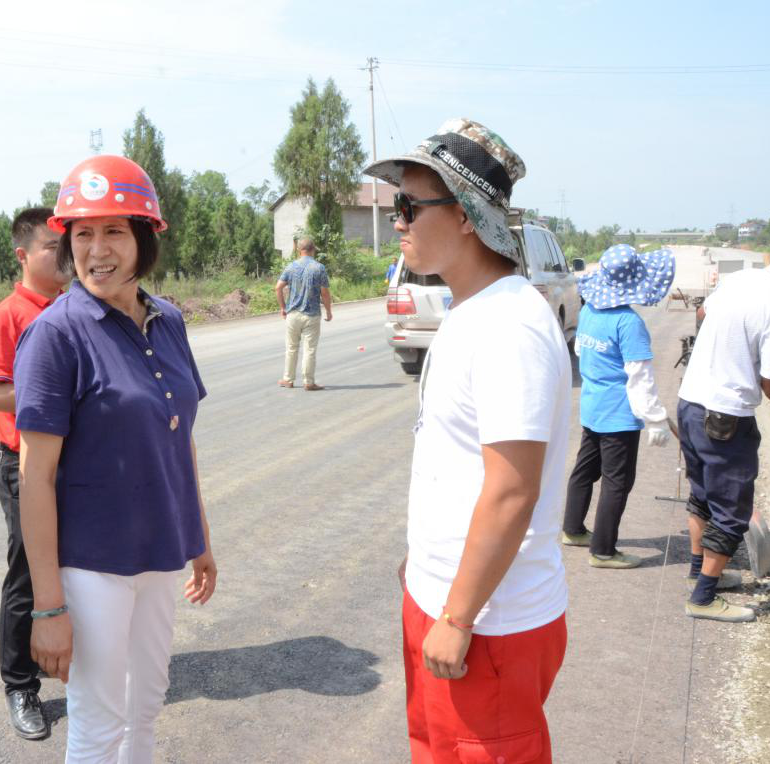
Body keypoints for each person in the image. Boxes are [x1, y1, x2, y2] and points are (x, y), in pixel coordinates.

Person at [365, 119, 570, 763]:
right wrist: (426, 563)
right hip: (446, 597)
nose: (396, 221)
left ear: (464, 215)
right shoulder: (469, 309)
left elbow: (512, 491)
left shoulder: (510, 325)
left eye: (409, 206)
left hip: (488, 621)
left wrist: (457, 616)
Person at [12, 155, 217, 763]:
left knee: (146, 705)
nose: (96, 250)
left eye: (114, 232)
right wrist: (48, 605)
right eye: (82, 234)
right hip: (92, 564)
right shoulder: (56, 335)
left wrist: (199, 538)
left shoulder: (168, 320)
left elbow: (180, 440)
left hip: (159, 552)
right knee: (99, 724)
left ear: (144, 238)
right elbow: (34, 478)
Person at [0, 207, 71, 740]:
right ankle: (20, 686)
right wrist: (60, 395)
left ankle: (67, 659)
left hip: (69, 459)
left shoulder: (74, 308)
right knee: (28, 574)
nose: (64, 258)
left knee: (70, 565)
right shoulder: (7, 316)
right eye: (52, 249)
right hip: (22, 464)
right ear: (22, 255)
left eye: (66, 246)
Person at [677, 244, 770, 622]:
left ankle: (700, 571)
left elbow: (703, 313)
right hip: (725, 417)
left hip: (691, 401)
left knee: (703, 495)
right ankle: (703, 598)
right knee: (732, 509)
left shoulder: (744, 279)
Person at [561, 244, 677, 569]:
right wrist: (656, 419)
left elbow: (581, 352)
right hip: (619, 417)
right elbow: (639, 377)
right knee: (617, 482)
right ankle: (603, 551)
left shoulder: (589, 312)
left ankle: (572, 530)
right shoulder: (628, 323)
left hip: (592, 408)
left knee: (584, 471)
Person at [275, 237, 332, 391]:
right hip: (311, 315)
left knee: (291, 348)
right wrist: (328, 311)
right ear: (313, 250)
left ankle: (288, 379)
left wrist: (283, 307)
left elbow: (278, 288)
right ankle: (309, 382)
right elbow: (325, 293)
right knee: (309, 350)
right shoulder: (319, 268)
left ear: (299, 250)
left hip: (293, 314)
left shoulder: (291, 267)